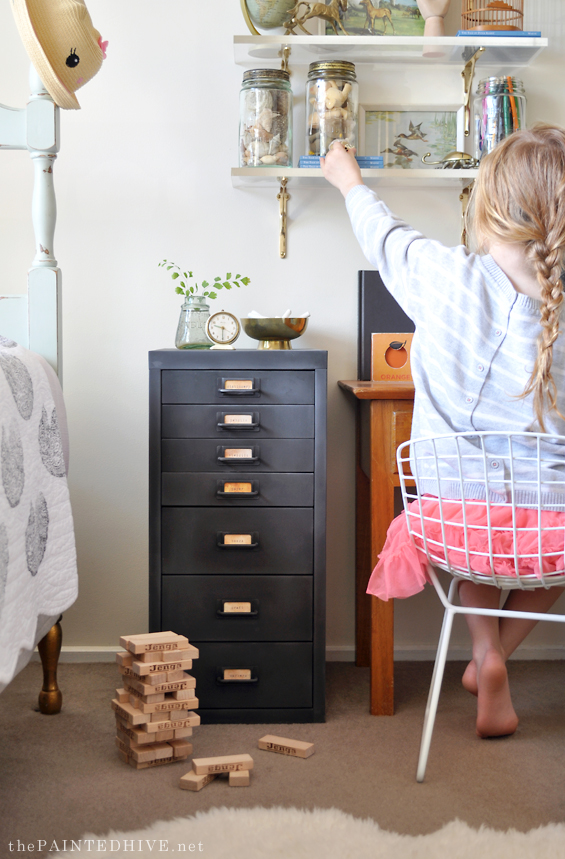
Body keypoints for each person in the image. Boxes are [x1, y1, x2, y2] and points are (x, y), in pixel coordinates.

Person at [321, 126, 565, 739]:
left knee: (474, 514)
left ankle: (485, 652)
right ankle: (498, 655)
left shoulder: (445, 277)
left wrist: (348, 179)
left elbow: (384, 236)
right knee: (547, 544)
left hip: (453, 523)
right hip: (552, 526)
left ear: (488, 205)